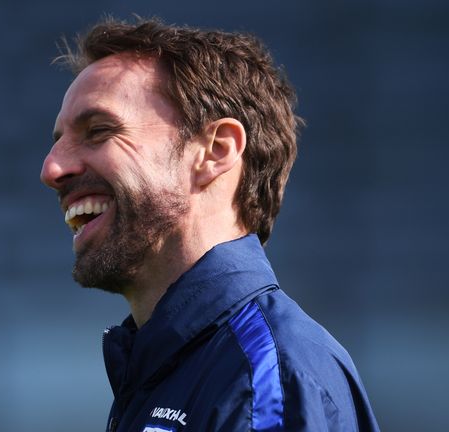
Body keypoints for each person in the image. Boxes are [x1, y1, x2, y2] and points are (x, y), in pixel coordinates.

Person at [40, 17, 379, 432]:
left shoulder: (266, 379)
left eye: (99, 131)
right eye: (57, 141)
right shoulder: (165, 367)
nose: (52, 168)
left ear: (215, 152)